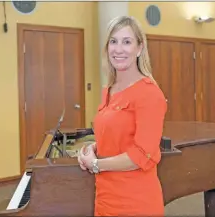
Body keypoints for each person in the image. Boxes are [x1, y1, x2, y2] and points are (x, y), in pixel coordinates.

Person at [78, 15, 167, 216]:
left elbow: (141, 155)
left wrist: (95, 164)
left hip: (135, 200)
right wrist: (92, 149)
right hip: (105, 196)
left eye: (127, 42)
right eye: (113, 41)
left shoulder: (150, 93)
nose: (119, 49)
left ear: (140, 48)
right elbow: (112, 134)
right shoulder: (108, 89)